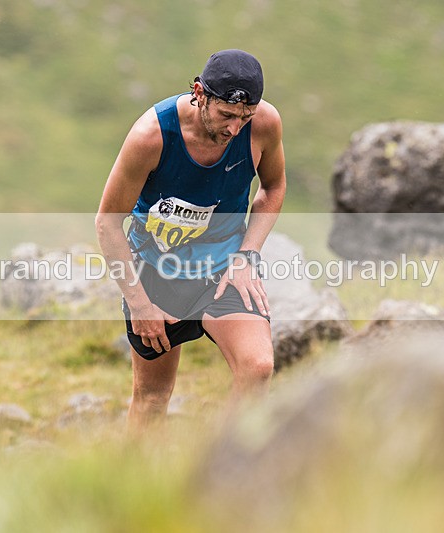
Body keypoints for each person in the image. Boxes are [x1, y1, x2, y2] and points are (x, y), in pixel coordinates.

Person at [95, 49, 286, 433]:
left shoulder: (265, 124)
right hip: (158, 272)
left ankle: (224, 462)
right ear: (199, 93)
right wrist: (139, 304)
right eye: (227, 115)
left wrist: (247, 255)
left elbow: (273, 187)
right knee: (152, 398)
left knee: (258, 368)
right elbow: (107, 223)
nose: (235, 129)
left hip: (224, 269)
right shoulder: (151, 136)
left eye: (245, 117)